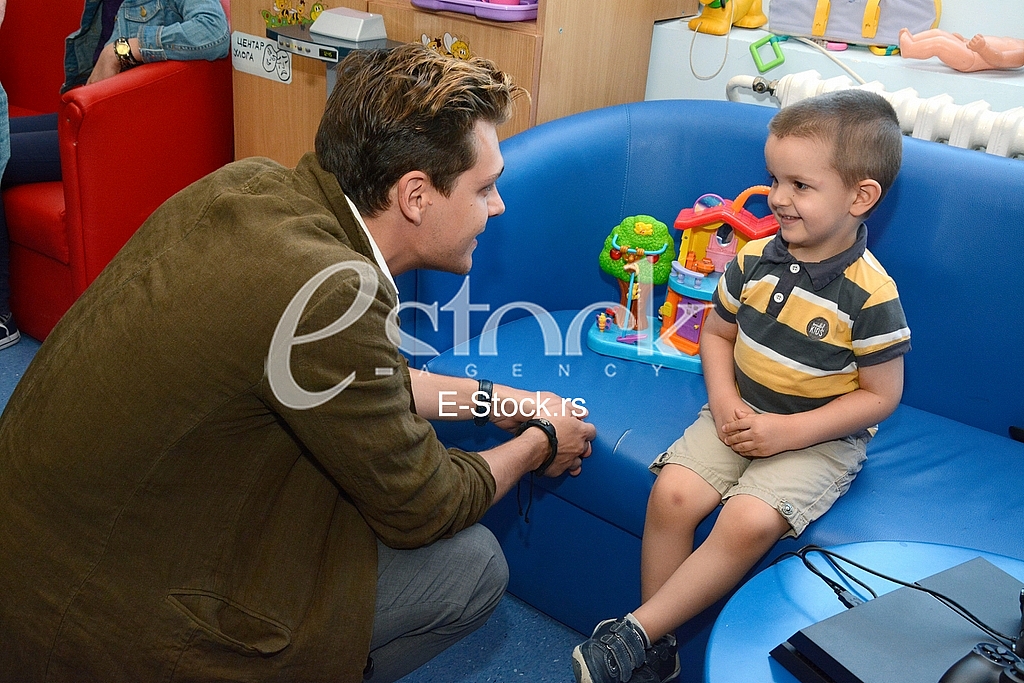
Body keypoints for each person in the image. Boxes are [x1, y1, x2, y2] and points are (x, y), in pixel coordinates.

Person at [0, 43, 596, 682]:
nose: (498, 206)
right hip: (95, 623)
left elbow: (370, 380)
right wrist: (540, 441)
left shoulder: (250, 186)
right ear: (416, 196)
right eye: (486, 187)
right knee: (472, 566)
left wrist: (500, 401)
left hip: (43, 550)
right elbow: (427, 502)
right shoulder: (330, 292)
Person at [571, 89, 911, 683]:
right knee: (673, 494)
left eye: (799, 186)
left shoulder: (872, 294)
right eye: (773, 179)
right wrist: (725, 401)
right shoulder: (752, 258)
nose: (778, 198)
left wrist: (789, 431)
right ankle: (657, 647)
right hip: (739, 411)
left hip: (818, 435)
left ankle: (637, 632)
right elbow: (716, 336)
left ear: (861, 197)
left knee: (747, 521)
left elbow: (880, 397)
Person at [0, 0, 229, 348]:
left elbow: (213, 33)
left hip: (113, 127)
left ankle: (2, 319)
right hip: (84, 113)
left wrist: (123, 50)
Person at [898, 28, 1024, 72]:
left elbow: (1001, 59)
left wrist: (982, 48)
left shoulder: (1021, 54)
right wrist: (964, 40)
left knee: (940, 44)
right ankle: (913, 40)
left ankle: (910, 49)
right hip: (969, 48)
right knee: (939, 33)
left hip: (971, 58)